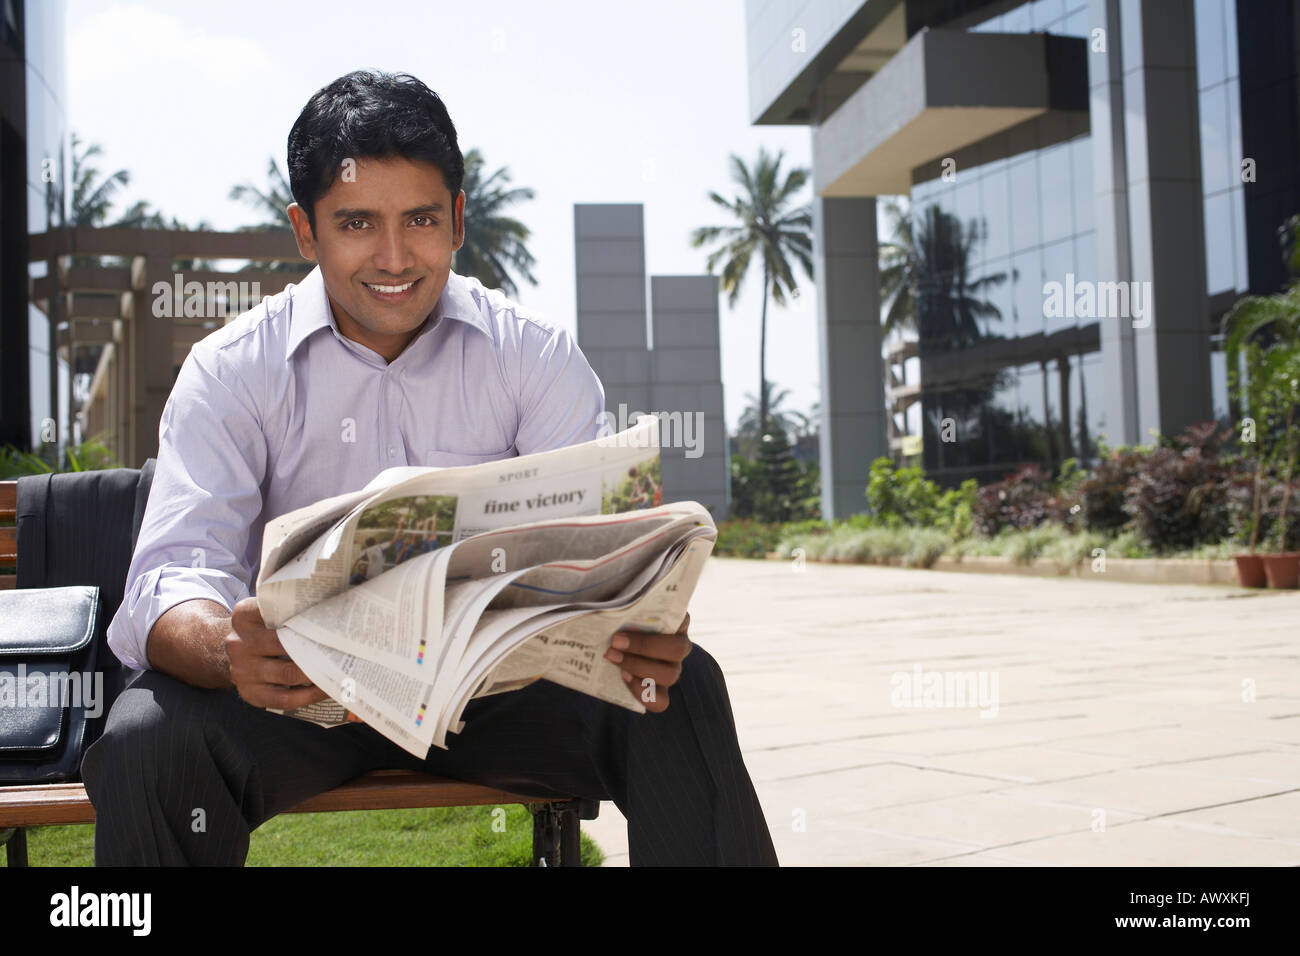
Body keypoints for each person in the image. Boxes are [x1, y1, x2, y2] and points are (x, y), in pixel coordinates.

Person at [81, 70, 777, 867]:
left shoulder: (531, 354)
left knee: (679, 690)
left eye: (420, 219)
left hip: (498, 697)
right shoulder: (231, 370)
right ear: (305, 231)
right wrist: (227, 650)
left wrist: (639, 621)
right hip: (299, 699)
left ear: (457, 220)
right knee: (149, 740)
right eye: (356, 223)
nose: (394, 256)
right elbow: (174, 573)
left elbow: (598, 549)